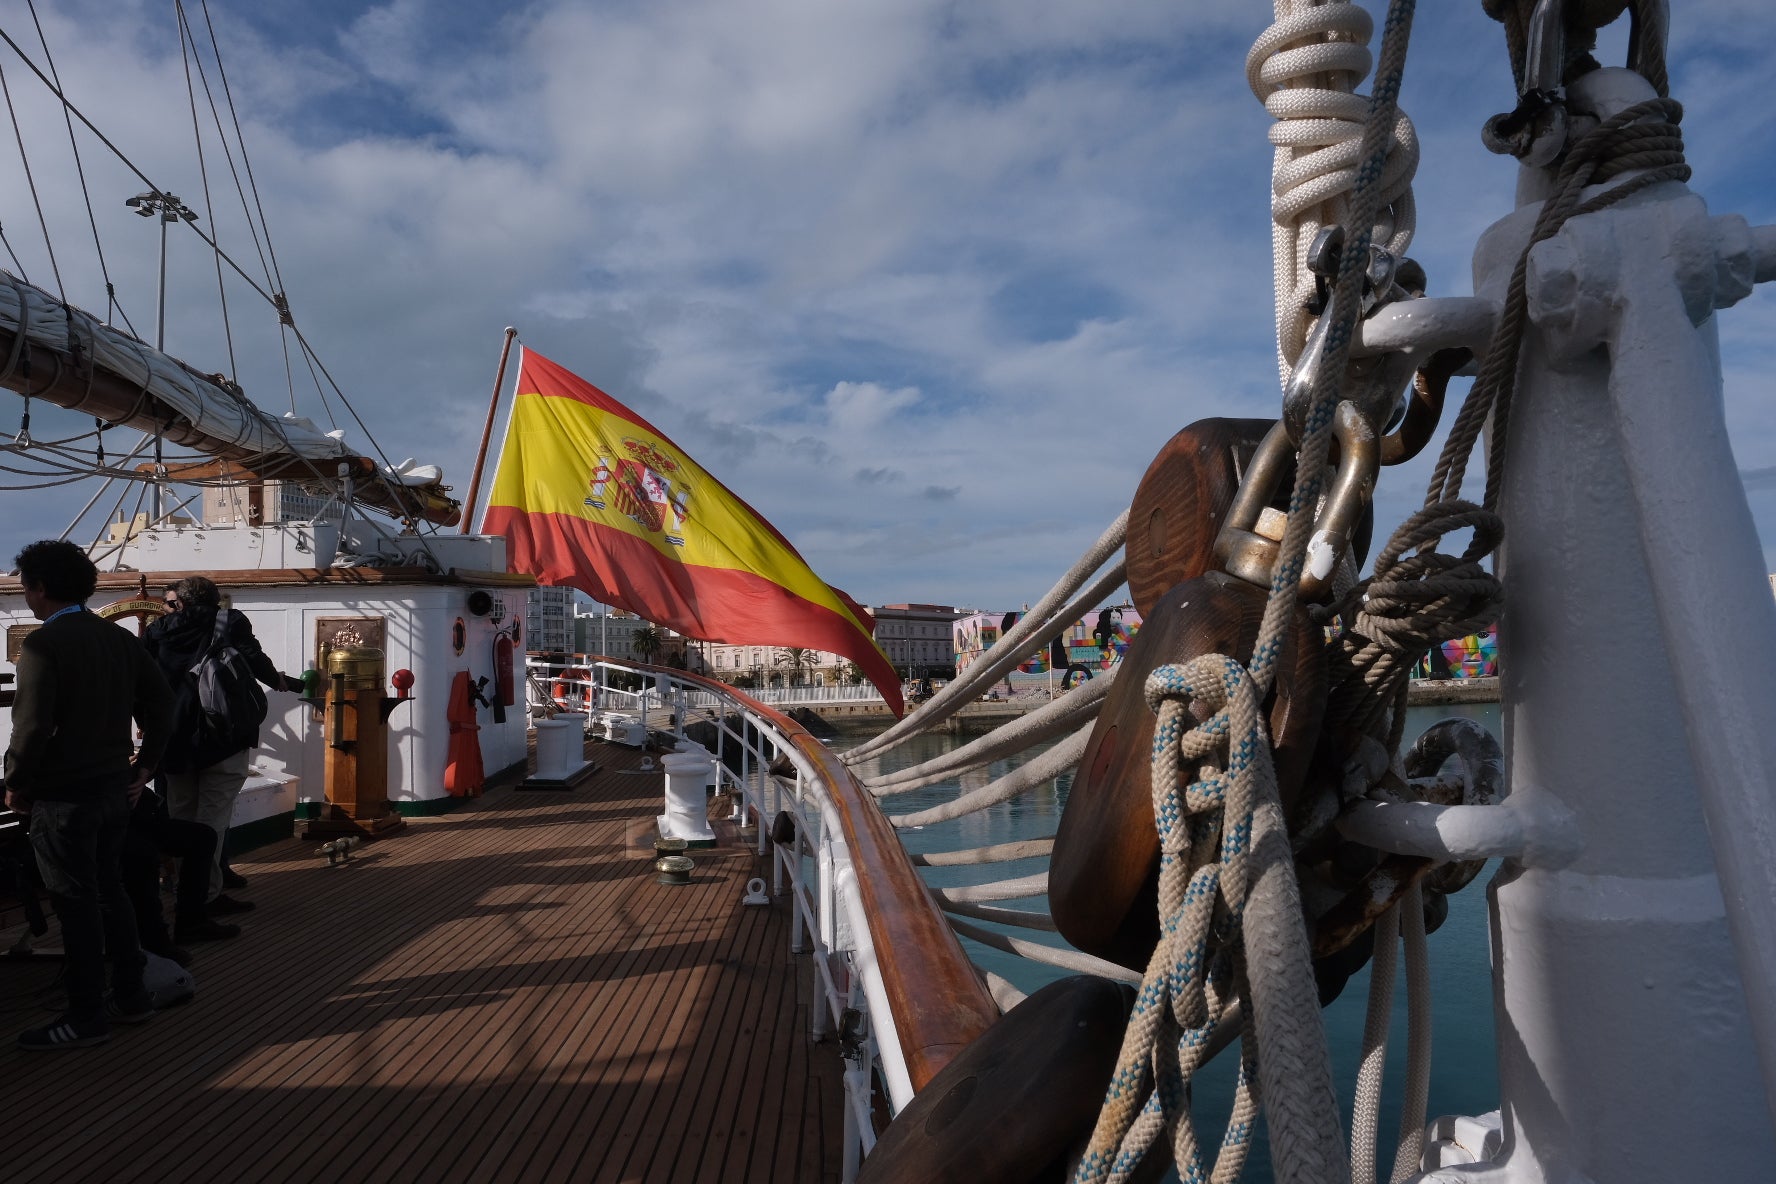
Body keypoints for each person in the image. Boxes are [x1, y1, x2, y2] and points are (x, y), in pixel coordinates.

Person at [3, 539, 171, 1049]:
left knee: (74, 904)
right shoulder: (118, 640)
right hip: (113, 791)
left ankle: (85, 1014)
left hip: (63, 798)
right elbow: (162, 705)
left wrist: (15, 783)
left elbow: (31, 727)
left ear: (39, 589)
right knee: (110, 891)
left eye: (26, 586)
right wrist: (145, 767)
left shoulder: (42, 645)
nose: (26, 596)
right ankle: (131, 994)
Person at [142, 577, 302, 915]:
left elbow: (143, 679)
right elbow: (255, 660)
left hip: (174, 741)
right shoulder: (231, 621)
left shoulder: (158, 630)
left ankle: (189, 892)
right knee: (212, 819)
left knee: (182, 818)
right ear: (217, 600)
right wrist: (278, 681)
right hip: (222, 737)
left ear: (180, 602)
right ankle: (204, 897)